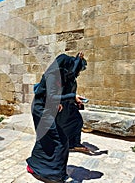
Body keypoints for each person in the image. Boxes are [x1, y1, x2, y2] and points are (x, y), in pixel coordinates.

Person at [26, 52, 87, 183]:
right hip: (41, 110)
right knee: (61, 140)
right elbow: (51, 96)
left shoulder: (58, 75)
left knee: (46, 139)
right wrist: (72, 97)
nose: (71, 70)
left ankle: (34, 166)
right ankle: (57, 176)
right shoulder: (52, 76)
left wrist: (58, 103)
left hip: (46, 109)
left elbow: (52, 97)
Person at [57, 52, 89, 153]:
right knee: (70, 124)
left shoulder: (71, 77)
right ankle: (69, 144)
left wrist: (77, 100)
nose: (79, 72)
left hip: (69, 105)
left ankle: (73, 143)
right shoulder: (63, 77)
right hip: (63, 106)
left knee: (77, 122)